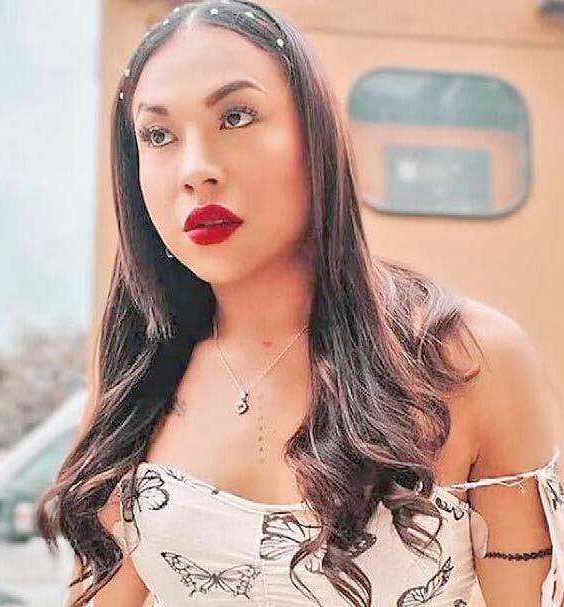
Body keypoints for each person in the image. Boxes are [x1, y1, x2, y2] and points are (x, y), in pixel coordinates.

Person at [37, 1, 564, 605]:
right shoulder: (141, 369)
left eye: (236, 116)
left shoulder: (467, 359)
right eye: (158, 135)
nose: (196, 170)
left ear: (316, 137)